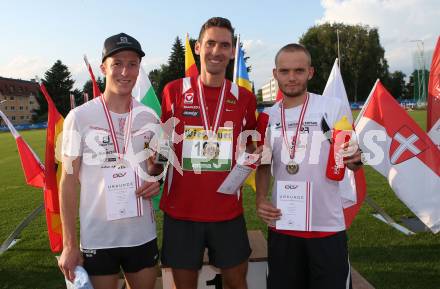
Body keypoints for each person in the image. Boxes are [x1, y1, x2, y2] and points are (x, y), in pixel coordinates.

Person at [58, 32, 163, 289]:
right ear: (104, 67)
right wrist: (70, 244)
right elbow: (68, 181)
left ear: (139, 68)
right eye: (117, 63)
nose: (125, 71)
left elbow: (157, 166)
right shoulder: (79, 117)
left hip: (141, 235)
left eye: (132, 64)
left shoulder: (149, 117)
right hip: (98, 238)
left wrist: (156, 179)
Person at [159, 17, 257, 289]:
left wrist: (256, 151)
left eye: (224, 45)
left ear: (232, 51)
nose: (217, 51)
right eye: (211, 43)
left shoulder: (245, 97)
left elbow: (251, 142)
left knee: (237, 283)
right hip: (181, 212)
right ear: (199, 47)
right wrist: (152, 171)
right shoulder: (174, 91)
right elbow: (162, 145)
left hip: (227, 211)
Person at [255, 43, 363, 289]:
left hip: (327, 226)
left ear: (310, 72)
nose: (291, 77)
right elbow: (263, 163)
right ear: (275, 74)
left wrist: (355, 158)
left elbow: (354, 158)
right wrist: (261, 199)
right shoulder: (267, 117)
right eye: (284, 71)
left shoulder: (331, 108)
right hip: (284, 225)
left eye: (299, 71)